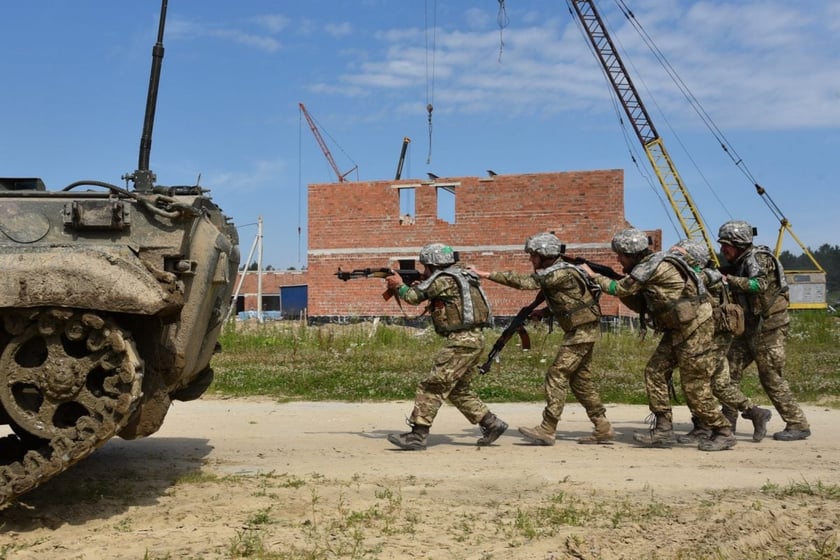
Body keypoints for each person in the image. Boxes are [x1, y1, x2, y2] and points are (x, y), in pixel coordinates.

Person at [580, 228, 735, 452]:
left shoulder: (652, 265)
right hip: (679, 328)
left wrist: (593, 276)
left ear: (631, 254)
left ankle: (723, 431)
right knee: (655, 371)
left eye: (621, 255)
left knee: (694, 386)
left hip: (696, 327)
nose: (618, 259)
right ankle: (663, 429)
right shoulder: (652, 263)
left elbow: (619, 288)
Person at [469, 232, 615, 445]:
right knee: (580, 381)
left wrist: (484, 273)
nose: (531, 259)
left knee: (556, 375)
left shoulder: (558, 273)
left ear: (544, 254)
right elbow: (570, 301)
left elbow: (524, 282)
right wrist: (545, 313)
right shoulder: (560, 271)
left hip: (581, 332)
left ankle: (547, 428)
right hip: (582, 329)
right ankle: (603, 427)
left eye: (533, 255)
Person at [385, 242, 508, 450]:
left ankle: (417, 435)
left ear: (434, 265)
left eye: (426, 267)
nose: (424, 271)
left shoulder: (443, 279)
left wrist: (399, 285)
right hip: (474, 339)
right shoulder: (461, 275)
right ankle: (492, 423)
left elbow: (413, 298)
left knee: (432, 385)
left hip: (461, 341)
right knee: (457, 389)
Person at [668, 239, 772, 443]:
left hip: (711, 336)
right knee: (720, 384)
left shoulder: (705, 276)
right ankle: (755, 413)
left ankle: (710, 428)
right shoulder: (708, 274)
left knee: (697, 383)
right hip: (718, 336)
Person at [717, 220, 811, 441]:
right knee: (728, 372)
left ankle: (798, 424)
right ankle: (727, 422)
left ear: (738, 244)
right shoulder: (742, 262)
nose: (722, 250)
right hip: (750, 327)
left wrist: (728, 280)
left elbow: (758, 285)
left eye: (726, 245)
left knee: (770, 376)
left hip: (770, 329)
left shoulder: (758, 259)